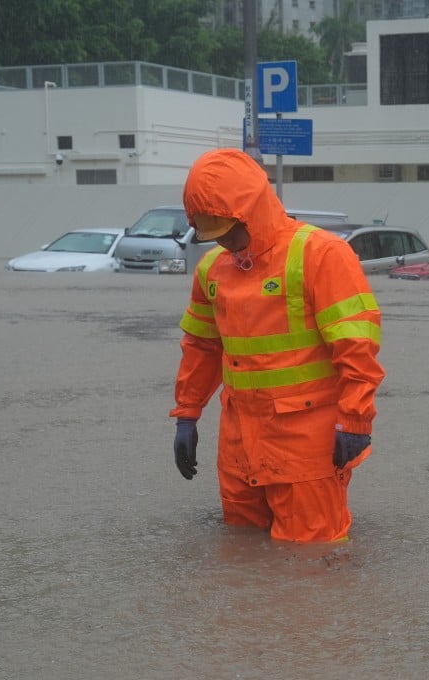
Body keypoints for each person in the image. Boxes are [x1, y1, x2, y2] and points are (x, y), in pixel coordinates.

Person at [169, 148, 384, 543]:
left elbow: (357, 348)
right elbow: (201, 348)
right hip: (238, 446)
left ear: (252, 208)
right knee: (244, 555)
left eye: (229, 229)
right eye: (212, 231)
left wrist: (355, 420)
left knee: (312, 563)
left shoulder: (320, 254)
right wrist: (187, 414)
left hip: (306, 446)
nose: (225, 242)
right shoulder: (211, 269)